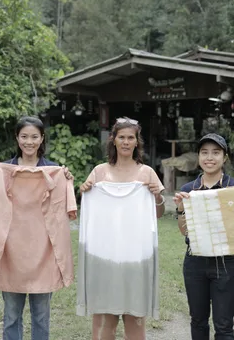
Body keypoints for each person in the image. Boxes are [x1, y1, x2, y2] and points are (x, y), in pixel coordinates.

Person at [173, 133, 234, 340]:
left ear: (224, 157)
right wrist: (181, 209)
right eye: (204, 153)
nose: (209, 158)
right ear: (199, 156)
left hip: (226, 262)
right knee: (198, 320)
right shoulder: (189, 190)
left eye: (216, 153)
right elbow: (184, 231)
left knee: (224, 325)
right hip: (195, 262)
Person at [0, 116, 73, 340]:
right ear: (17, 138)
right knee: (11, 315)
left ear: (42, 138)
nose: (29, 142)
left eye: (34, 137)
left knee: (41, 315)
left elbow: (64, 211)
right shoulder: (2, 170)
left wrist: (66, 180)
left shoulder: (54, 171)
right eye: (24, 136)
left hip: (44, 251)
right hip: (11, 250)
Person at [79, 117, 165, 340]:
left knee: (135, 319)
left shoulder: (147, 173)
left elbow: (158, 214)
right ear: (114, 140)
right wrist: (86, 190)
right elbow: (88, 207)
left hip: (136, 256)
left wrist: (157, 196)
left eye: (130, 138)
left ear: (137, 142)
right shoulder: (99, 172)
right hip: (104, 255)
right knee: (103, 321)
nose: (126, 142)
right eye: (122, 137)